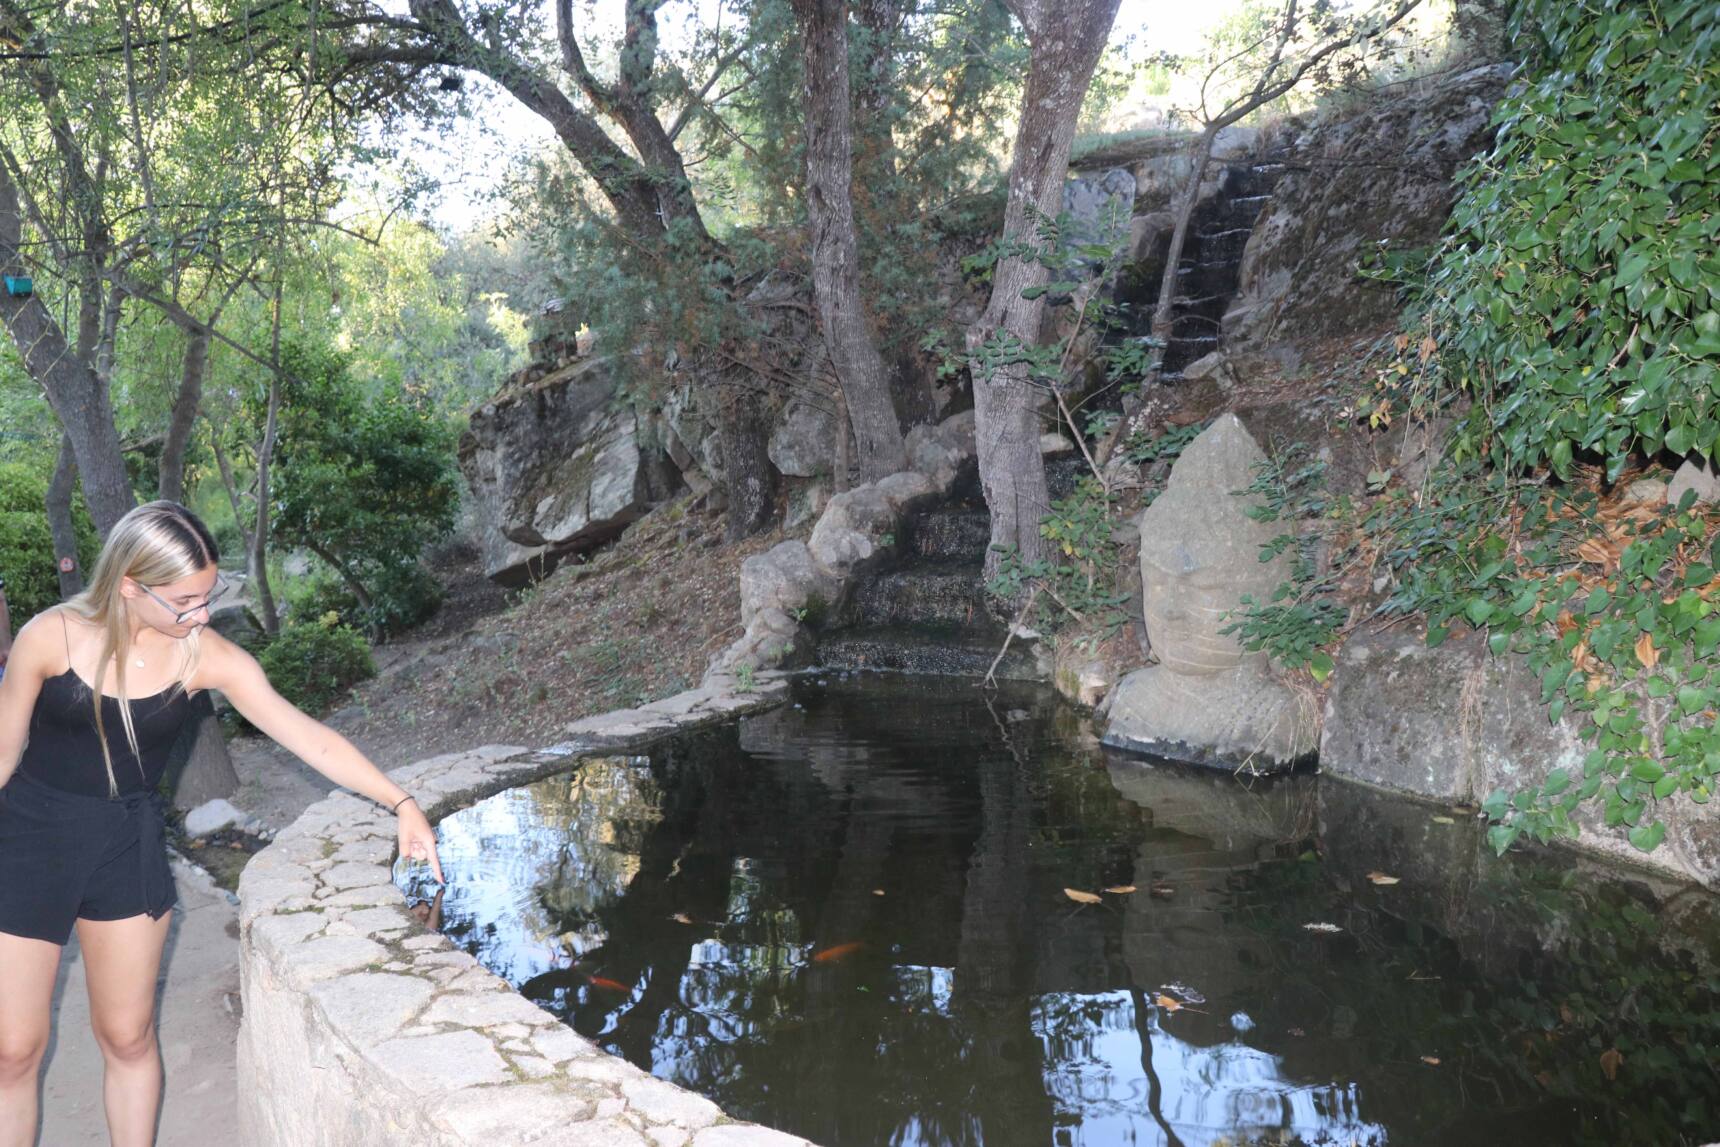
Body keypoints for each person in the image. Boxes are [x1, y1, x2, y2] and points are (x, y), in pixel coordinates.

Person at [0, 501, 443, 1147]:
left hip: (126, 847)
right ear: (129, 584)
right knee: (13, 1048)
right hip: (29, 841)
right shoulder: (52, 635)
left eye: (208, 595)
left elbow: (307, 737)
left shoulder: (201, 654)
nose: (200, 614)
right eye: (184, 600)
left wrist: (402, 802)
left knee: (126, 1035)